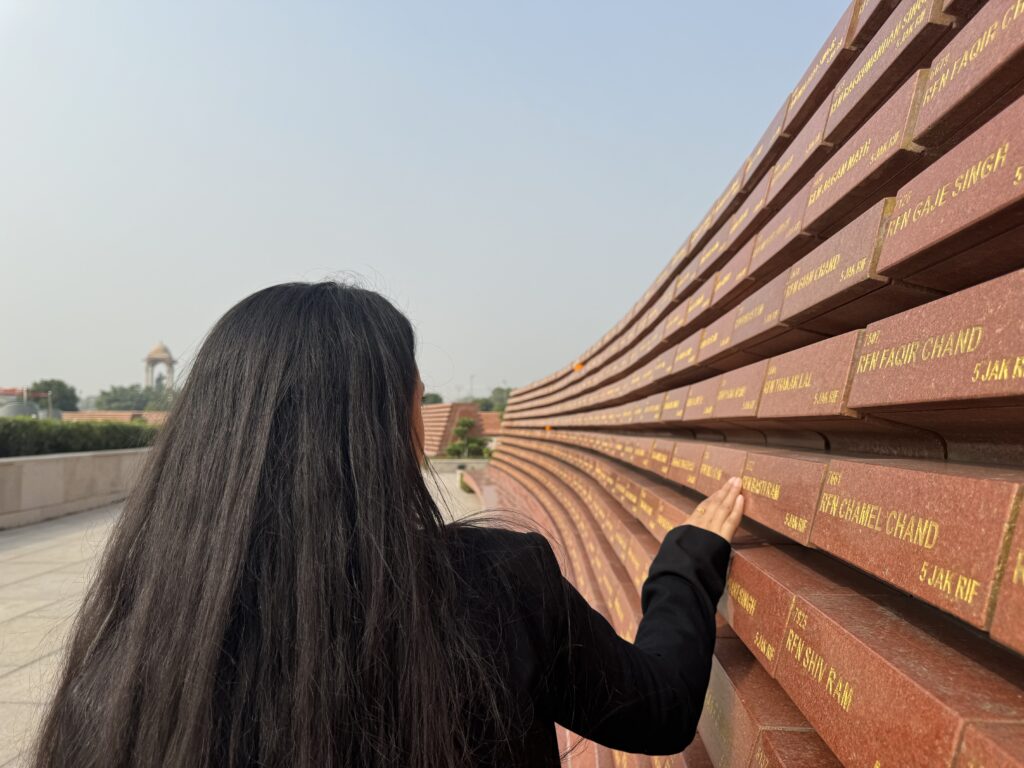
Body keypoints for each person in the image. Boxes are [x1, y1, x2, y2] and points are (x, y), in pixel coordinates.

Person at [32, 282, 744, 768]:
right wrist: (687, 562)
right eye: (415, 396)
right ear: (380, 429)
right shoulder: (496, 587)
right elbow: (659, 710)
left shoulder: (139, 644)